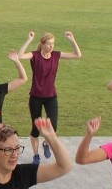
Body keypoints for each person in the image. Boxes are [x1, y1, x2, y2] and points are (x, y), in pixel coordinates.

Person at [18, 30, 82, 164]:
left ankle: (46, 143)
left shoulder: (56, 55)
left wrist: (72, 39)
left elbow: (77, 54)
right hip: (35, 96)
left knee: (53, 126)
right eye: (49, 44)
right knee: (36, 128)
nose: (51, 46)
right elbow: (20, 56)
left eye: (53, 44)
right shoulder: (34, 55)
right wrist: (29, 39)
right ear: (42, 44)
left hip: (51, 96)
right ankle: (36, 155)